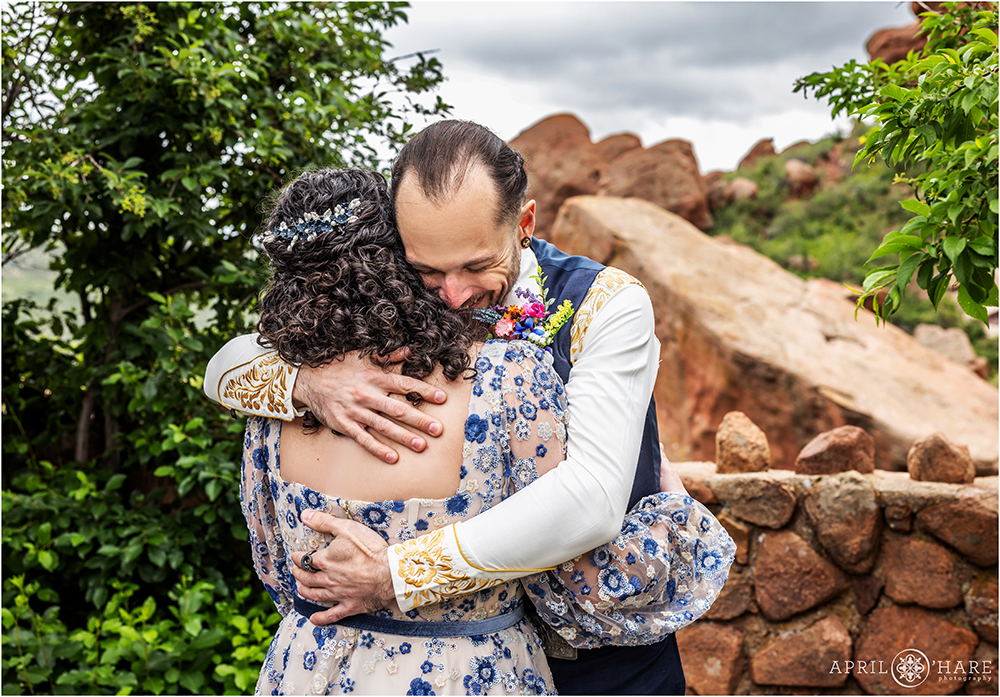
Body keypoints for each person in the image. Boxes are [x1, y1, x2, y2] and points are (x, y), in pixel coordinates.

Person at [207, 121, 715, 694]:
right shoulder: (384, 317)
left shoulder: (608, 303)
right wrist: (308, 381)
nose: (452, 294)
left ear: (523, 224)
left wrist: (400, 573)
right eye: (426, 270)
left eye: (476, 266)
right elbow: (225, 364)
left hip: (601, 655)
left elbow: (590, 502)